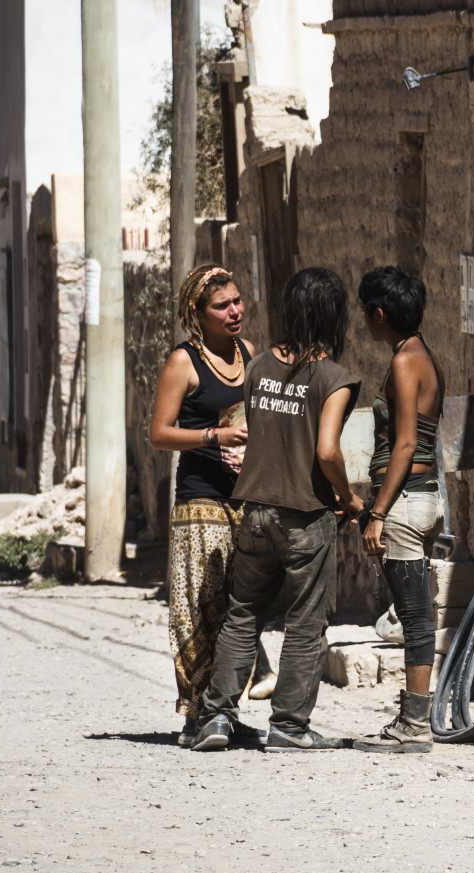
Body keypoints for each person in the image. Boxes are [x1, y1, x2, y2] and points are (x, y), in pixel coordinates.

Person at [192, 267, 363, 752]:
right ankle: (289, 724)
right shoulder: (335, 377)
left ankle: (217, 718)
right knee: (306, 622)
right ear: (334, 316)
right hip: (304, 517)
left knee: (243, 615)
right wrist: (349, 500)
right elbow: (327, 451)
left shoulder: (260, 365)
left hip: (255, 512)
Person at [148, 263, 275, 748]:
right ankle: (196, 715)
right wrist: (213, 435)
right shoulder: (184, 361)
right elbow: (159, 434)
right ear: (197, 313)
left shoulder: (248, 353)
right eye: (223, 305)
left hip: (245, 496)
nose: (235, 310)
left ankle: (225, 711)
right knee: (199, 607)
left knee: (238, 606)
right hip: (200, 500)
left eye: (238, 301)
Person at [352, 267, 445, 753]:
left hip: (406, 503)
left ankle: (415, 723)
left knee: (414, 616)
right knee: (416, 613)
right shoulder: (423, 355)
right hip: (422, 497)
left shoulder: (407, 361)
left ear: (380, 314)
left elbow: (406, 444)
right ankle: (413, 719)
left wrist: (378, 513)